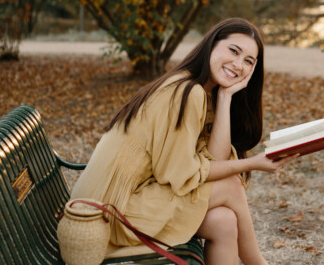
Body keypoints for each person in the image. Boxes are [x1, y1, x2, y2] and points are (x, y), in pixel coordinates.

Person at [70, 17, 297, 265]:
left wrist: (225, 97)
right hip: (105, 215)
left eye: (248, 61)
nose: (238, 64)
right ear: (212, 45)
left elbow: (214, 160)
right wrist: (253, 163)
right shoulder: (187, 93)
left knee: (224, 222)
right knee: (232, 185)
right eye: (233, 51)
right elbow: (179, 175)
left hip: (116, 205)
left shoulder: (200, 91)